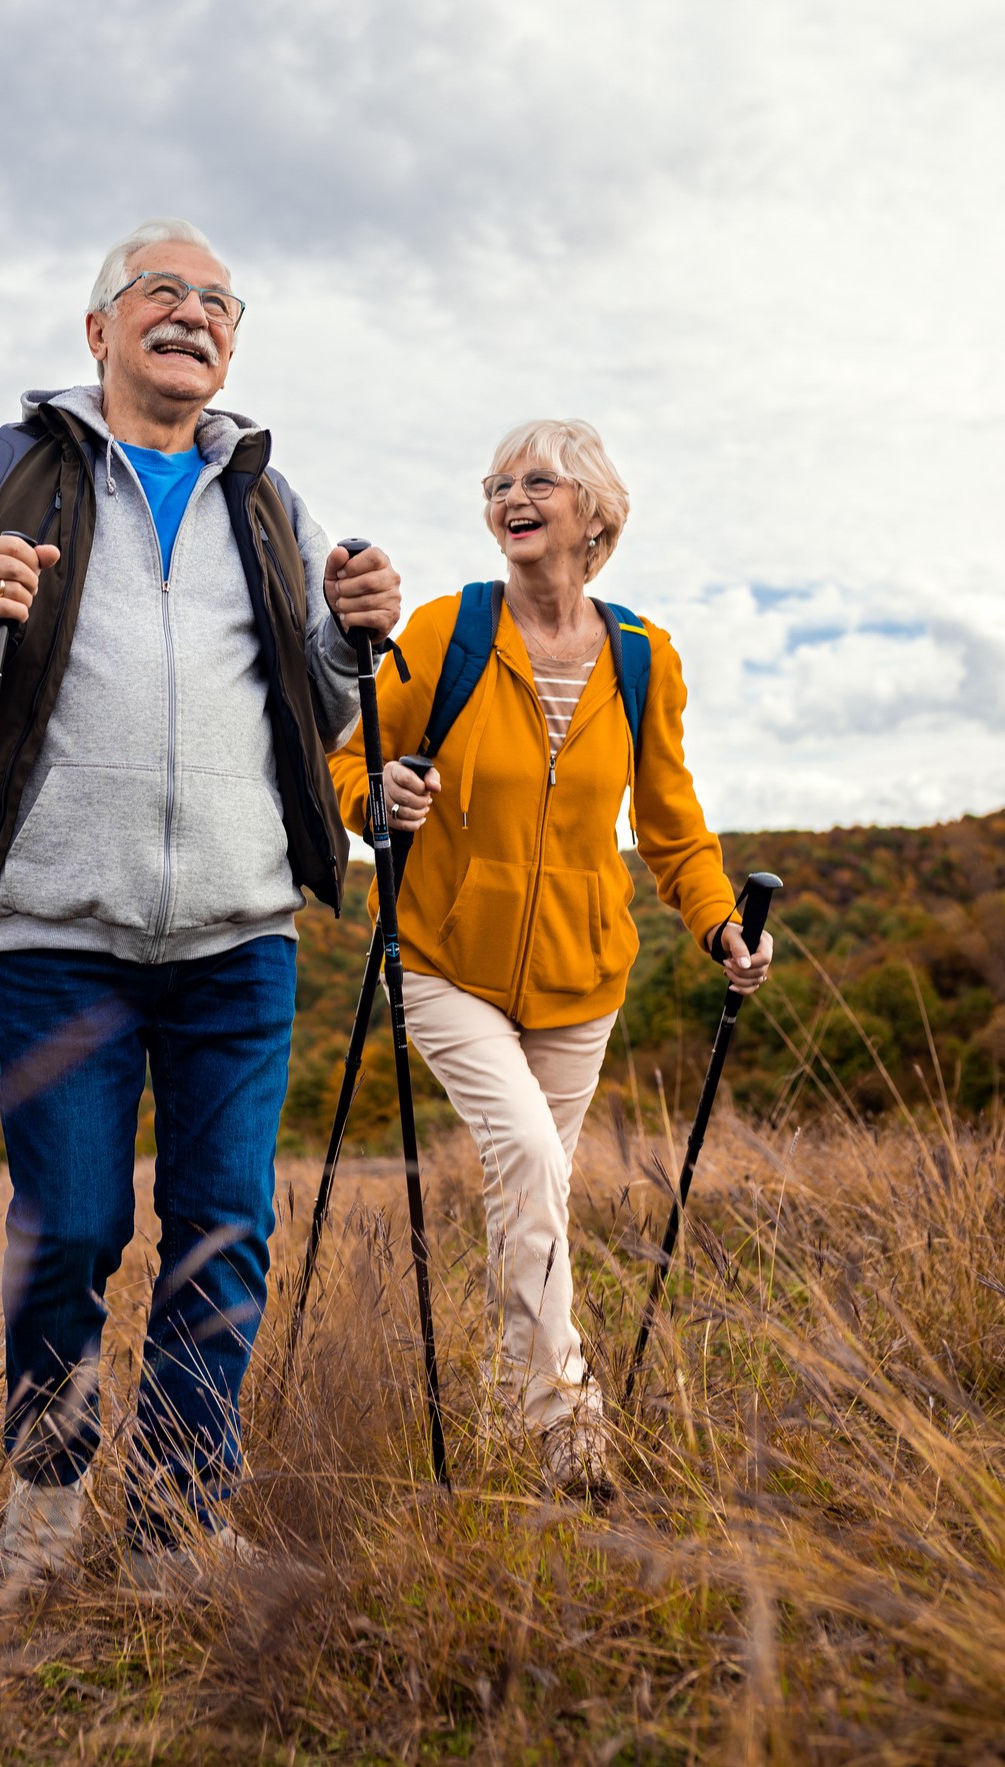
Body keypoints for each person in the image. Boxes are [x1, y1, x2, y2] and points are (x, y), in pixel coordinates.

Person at [0, 218, 401, 1584]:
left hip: (240, 936)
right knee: (72, 1231)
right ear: (96, 327)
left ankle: (177, 1525)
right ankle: (44, 1501)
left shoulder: (273, 502)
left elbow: (325, 706)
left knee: (223, 1233)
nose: (194, 313)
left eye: (220, 300)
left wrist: (351, 636)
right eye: (161, 291)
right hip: (56, 930)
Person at [327, 419, 771, 1495]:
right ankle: (571, 1436)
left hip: (582, 979)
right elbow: (353, 762)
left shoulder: (641, 656)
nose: (510, 496)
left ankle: (502, 1413)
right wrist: (377, 800)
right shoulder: (445, 633)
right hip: (442, 956)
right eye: (495, 484)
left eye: (537, 480)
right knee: (526, 1159)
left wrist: (718, 925)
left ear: (594, 513)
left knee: (535, 1194)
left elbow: (671, 827)